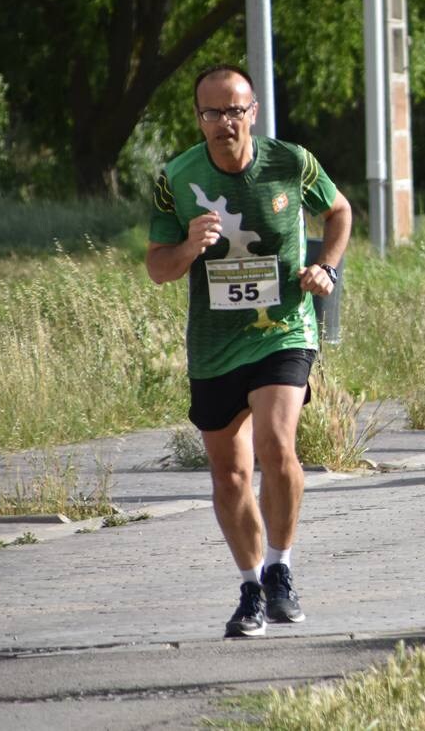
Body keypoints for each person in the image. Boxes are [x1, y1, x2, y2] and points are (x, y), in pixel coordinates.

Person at [147, 65, 353, 638]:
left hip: (283, 329)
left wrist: (326, 268)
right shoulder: (177, 177)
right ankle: (250, 587)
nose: (223, 123)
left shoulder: (291, 161)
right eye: (211, 113)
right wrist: (189, 245)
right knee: (230, 474)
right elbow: (158, 267)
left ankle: (280, 567)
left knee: (274, 441)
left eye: (234, 111)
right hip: (214, 345)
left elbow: (339, 211)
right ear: (199, 118)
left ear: (253, 112)